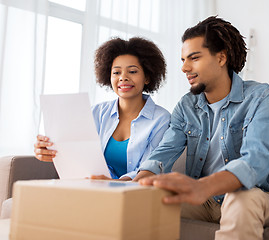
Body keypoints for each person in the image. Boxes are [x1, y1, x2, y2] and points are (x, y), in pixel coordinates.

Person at [134, 16, 269, 240]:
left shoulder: (262, 96)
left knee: (241, 199)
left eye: (194, 58)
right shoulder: (186, 105)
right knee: (146, 204)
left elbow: (257, 160)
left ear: (221, 57)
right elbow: (163, 153)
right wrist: (135, 186)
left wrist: (203, 186)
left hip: (254, 196)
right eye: (183, 59)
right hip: (203, 202)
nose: (184, 68)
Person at [34, 37, 170, 180]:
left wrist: (114, 184)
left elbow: (150, 168)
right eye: (116, 72)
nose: (123, 77)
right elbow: (75, 152)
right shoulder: (96, 113)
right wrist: (49, 149)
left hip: (135, 193)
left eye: (132, 71)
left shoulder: (161, 119)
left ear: (147, 77)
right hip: (91, 189)